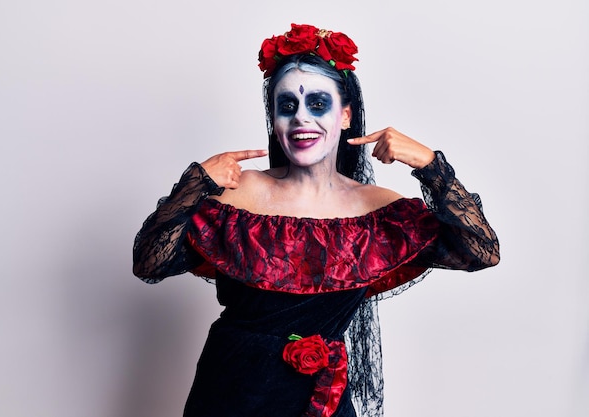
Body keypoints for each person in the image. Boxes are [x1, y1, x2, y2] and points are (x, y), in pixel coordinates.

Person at [132, 23, 500, 417]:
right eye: (286, 106)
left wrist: (429, 165)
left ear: (345, 116)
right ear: (274, 120)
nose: (301, 120)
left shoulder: (377, 209)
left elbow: (481, 252)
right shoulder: (240, 193)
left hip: (318, 399)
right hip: (229, 394)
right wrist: (197, 182)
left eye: (318, 104)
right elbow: (150, 263)